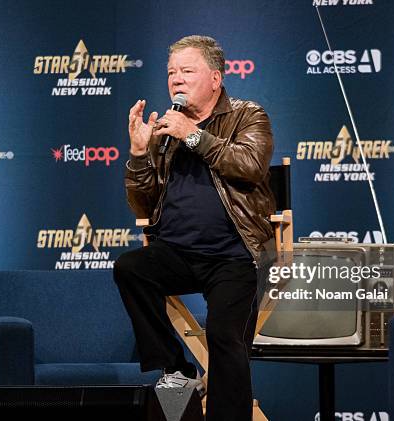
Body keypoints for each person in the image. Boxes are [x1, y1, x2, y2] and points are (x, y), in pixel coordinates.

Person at [113, 35, 275, 421]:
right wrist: (138, 155)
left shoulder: (248, 115)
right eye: (171, 73)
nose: (176, 80)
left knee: (224, 336)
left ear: (216, 78)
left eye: (187, 71)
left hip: (235, 255)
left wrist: (193, 134)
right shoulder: (164, 129)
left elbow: (250, 165)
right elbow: (143, 204)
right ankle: (177, 369)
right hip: (178, 252)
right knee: (130, 268)